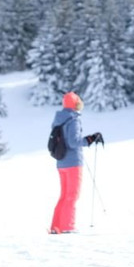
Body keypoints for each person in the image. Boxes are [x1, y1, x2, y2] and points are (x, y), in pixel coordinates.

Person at [49, 92, 103, 234]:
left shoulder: (59, 118)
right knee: (72, 195)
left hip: (61, 162)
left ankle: (56, 226)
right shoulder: (73, 120)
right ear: (77, 104)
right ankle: (67, 226)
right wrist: (90, 139)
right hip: (73, 162)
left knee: (64, 195)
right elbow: (73, 142)